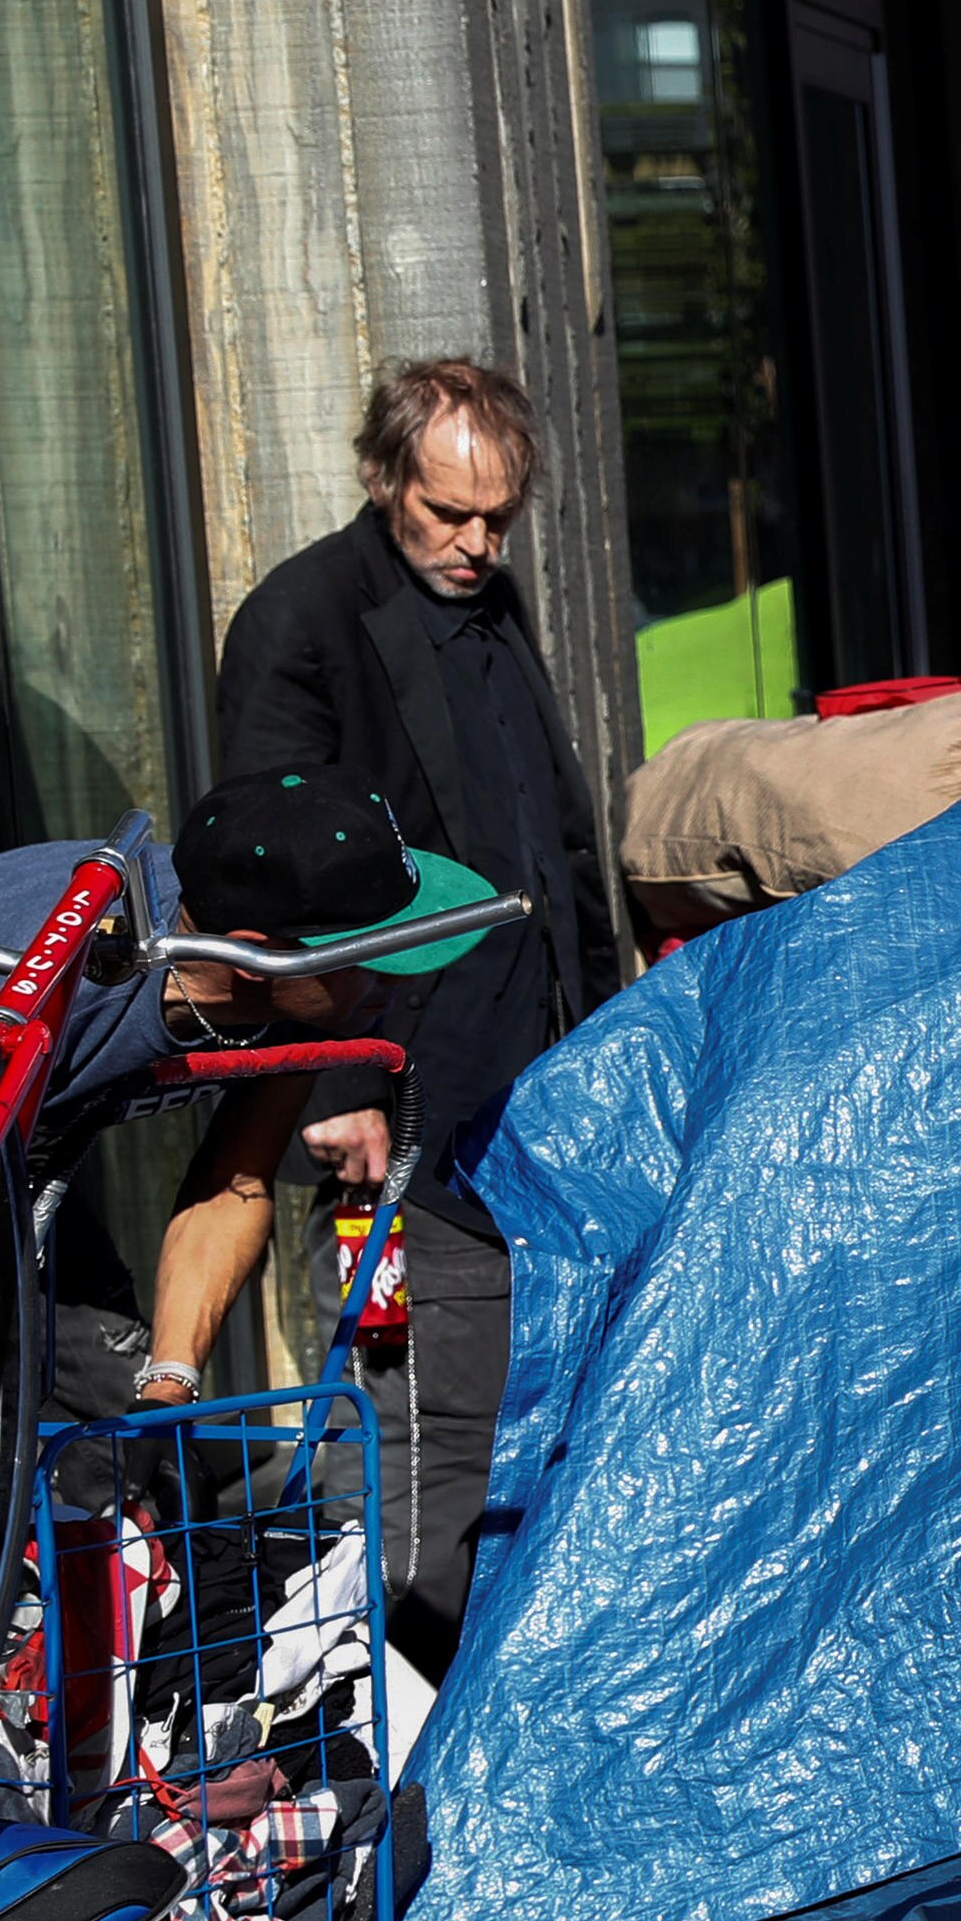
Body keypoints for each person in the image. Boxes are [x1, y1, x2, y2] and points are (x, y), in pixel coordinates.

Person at [211, 359, 622, 1675]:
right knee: (425, 1433)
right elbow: (268, 880)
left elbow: (549, 831)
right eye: (449, 513)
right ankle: (411, 1754)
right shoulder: (305, 623)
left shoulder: (493, 608)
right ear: (386, 476)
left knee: (536, 1404)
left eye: (498, 518)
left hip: (537, 1076)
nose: (474, 545)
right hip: (399, 1092)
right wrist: (332, 1091)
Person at [0, 768, 509, 1486]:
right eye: (375, 964)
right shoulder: (72, 985)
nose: (403, 986)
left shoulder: (294, 994)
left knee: (126, 1454)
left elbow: (234, 1180)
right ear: (258, 957)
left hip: (16, 1147)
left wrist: (170, 1385)